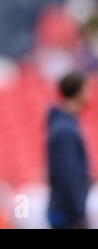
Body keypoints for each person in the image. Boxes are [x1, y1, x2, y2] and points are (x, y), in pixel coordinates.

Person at [46, 71, 91, 229]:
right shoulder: (65, 130)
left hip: (65, 210)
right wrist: (78, 211)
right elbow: (68, 173)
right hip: (67, 213)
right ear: (79, 92)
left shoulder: (65, 126)